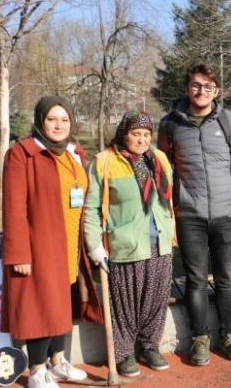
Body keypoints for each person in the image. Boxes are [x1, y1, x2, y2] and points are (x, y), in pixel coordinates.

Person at [157, 63, 231, 366]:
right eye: (196, 85)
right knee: (196, 279)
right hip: (189, 216)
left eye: (208, 86)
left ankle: (229, 336)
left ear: (216, 91)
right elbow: (164, 172)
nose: (201, 91)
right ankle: (200, 340)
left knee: (226, 279)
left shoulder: (228, 121)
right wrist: (167, 211)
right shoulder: (170, 125)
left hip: (226, 214)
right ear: (188, 87)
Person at [1, 96, 103, 388]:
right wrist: (19, 253)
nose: (58, 125)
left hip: (71, 243)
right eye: (52, 119)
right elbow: (14, 208)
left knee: (63, 304)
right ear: (40, 120)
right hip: (39, 245)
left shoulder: (75, 153)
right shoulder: (23, 154)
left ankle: (57, 363)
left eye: (64, 120)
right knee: (40, 306)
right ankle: (36, 370)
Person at [83, 111, 175, 377]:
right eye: (136, 134)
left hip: (160, 242)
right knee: (125, 303)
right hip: (125, 245)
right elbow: (90, 209)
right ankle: (123, 353)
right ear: (125, 134)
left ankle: (150, 345)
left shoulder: (159, 159)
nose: (142, 139)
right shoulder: (105, 161)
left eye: (147, 134)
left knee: (156, 300)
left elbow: (167, 200)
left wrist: (171, 229)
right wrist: (93, 244)